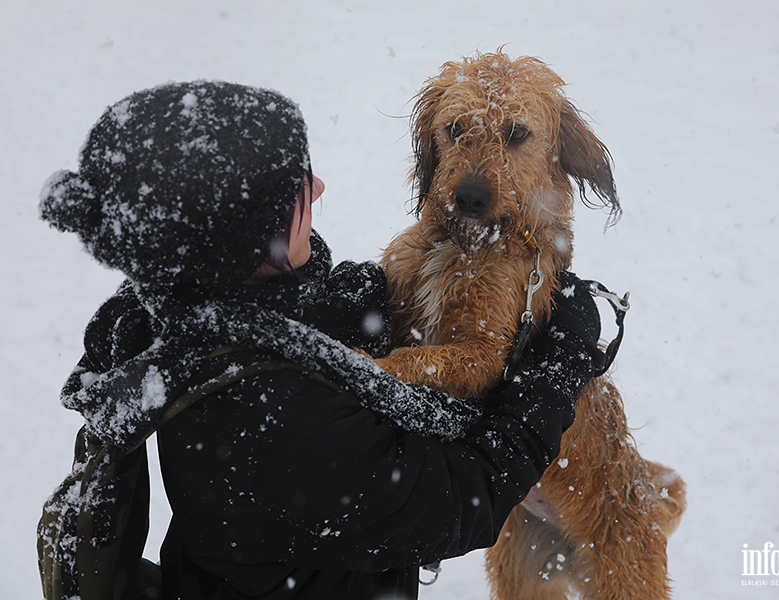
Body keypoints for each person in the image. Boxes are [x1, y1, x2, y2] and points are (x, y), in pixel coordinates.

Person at [39, 80, 606, 600]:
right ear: (245, 235)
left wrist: (358, 293)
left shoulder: (181, 319)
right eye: (293, 184)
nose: (318, 185)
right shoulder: (282, 424)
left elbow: (296, 325)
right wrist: (559, 365)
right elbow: (468, 495)